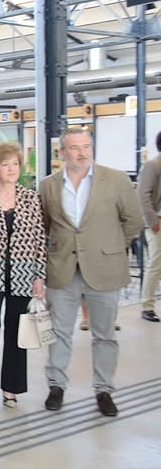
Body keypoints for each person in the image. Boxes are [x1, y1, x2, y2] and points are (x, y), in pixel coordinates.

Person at [39, 127, 141, 417]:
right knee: (59, 332)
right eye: (74, 148)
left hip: (104, 269)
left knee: (105, 334)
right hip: (62, 269)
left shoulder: (116, 179)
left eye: (86, 146)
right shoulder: (48, 185)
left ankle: (104, 389)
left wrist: (110, 248)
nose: (82, 152)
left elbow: (132, 221)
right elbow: (44, 226)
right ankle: (56, 385)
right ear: (62, 153)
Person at [0, 142, 47, 409]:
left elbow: (40, 238)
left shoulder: (31, 197)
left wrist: (40, 276)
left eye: (15, 163)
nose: (12, 169)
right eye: (6, 164)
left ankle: (11, 388)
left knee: (17, 332)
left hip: (23, 273)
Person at [136, 131, 161, 323]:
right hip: (157, 223)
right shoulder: (152, 165)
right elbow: (143, 195)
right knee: (155, 264)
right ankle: (147, 305)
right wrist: (153, 223)